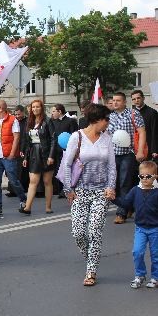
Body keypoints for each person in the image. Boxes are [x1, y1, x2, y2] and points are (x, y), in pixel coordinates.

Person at [63, 103, 116, 286]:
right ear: (97, 119)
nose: (108, 123)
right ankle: (91, 258)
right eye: (106, 119)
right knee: (78, 233)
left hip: (101, 192)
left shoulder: (107, 139)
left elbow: (111, 166)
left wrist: (111, 187)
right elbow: (67, 165)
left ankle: (91, 270)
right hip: (80, 192)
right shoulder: (76, 137)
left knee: (94, 231)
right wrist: (69, 189)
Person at [112, 161, 158, 289]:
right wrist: (113, 198)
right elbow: (126, 203)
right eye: (141, 176)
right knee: (137, 252)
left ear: (155, 176)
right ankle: (140, 275)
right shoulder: (135, 190)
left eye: (148, 176)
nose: (144, 178)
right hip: (141, 228)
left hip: (155, 229)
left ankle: (155, 277)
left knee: (156, 255)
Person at [108, 92, 147, 224]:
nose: (115, 103)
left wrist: (140, 151)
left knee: (125, 182)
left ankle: (121, 214)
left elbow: (142, 132)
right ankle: (128, 206)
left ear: (124, 102)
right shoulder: (110, 116)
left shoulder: (133, 113)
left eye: (118, 100)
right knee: (116, 183)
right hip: (113, 154)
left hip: (128, 153)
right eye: (113, 100)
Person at [0, 99, 27, 216]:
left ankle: (23, 199)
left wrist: (12, 154)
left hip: (8, 157)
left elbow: (16, 138)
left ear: (1, 109)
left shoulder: (12, 120)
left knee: (13, 181)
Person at [20, 100, 56, 215]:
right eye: (33, 107)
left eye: (37, 107)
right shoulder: (29, 122)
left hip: (45, 152)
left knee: (47, 181)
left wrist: (51, 156)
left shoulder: (48, 121)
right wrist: (25, 157)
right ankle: (27, 207)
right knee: (33, 181)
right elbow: (27, 141)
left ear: (42, 108)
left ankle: (48, 207)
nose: (35, 109)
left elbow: (53, 140)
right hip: (34, 153)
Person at [51, 104, 79, 197]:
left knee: (67, 169)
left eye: (54, 111)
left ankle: (67, 188)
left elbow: (74, 135)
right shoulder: (53, 122)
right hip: (56, 150)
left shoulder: (70, 121)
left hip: (67, 150)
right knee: (58, 169)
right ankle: (59, 189)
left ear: (59, 111)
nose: (52, 113)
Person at [131, 90, 158, 161]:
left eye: (138, 98)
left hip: (148, 147)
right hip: (133, 148)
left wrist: (154, 150)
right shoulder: (130, 113)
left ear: (143, 98)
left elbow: (155, 132)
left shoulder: (152, 112)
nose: (136, 100)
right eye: (134, 99)